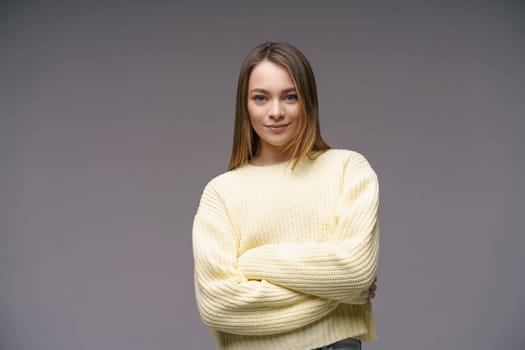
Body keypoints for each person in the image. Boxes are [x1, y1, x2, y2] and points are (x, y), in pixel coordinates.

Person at [192, 41, 380, 350]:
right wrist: (333, 291)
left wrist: (253, 262)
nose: (276, 112)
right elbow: (218, 305)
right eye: (261, 98)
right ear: (245, 105)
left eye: (290, 96)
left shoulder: (348, 168)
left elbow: (355, 274)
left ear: (308, 100)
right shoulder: (221, 193)